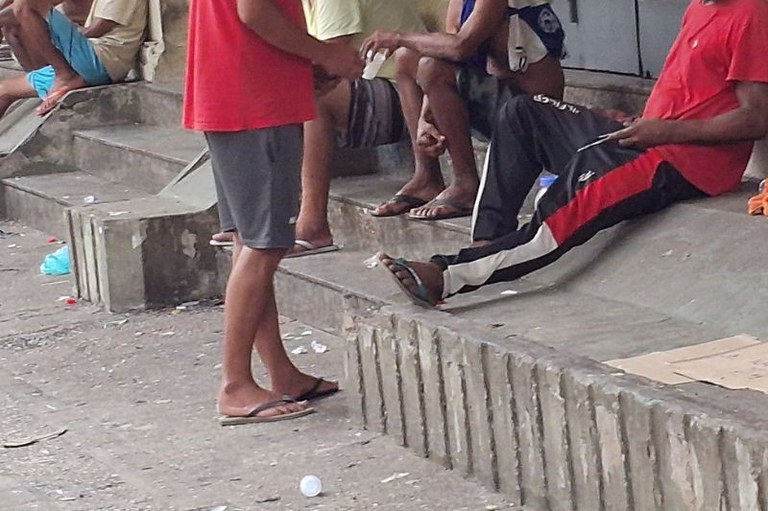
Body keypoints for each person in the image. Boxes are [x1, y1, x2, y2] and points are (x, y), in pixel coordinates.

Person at [378, 0, 768, 306]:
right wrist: (647, 123)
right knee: (522, 112)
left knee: (570, 199)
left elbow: (756, 118)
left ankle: (448, 275)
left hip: (678, 162)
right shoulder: (700, 7)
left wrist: (665, 130)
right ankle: (488, 243)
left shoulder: (752, 13)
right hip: (644, 133)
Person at [184, 0, 362, 424]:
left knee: (250, 240)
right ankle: (235, 384)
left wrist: (305, 62)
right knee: (264, 245)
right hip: (255, 96)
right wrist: (326, 53)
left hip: (234, 88)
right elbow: (256, 13)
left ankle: (280, 372)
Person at [211, 0, 428, 255]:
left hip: (407, 96)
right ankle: (243, 222)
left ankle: (312, 225)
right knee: (246, 99)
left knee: (307, 97)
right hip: (367, 86)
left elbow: (331, 57)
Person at [362, 0, 566, 220]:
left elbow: (460, 47)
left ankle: (466, 185)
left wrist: (397, 37)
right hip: (496, 103)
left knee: (428, 64)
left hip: (533, 115)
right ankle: (426, 178)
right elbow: (445, 53)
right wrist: (425, 117)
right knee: (406, 57)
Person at [0, 0, 146, 118]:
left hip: (100, 61)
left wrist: (56, 33)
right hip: (81, 65)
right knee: (3, 91)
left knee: (24, 5)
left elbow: (97, 30)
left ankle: (64, 75)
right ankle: (65, 77)